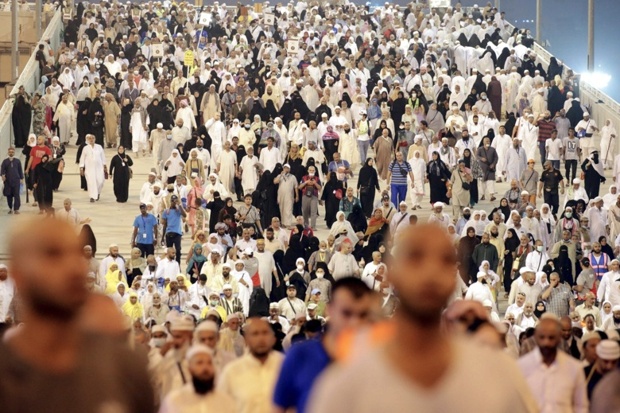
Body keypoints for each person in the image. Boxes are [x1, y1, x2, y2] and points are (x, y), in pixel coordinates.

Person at [309, 225, 538, 413]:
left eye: (444, 261)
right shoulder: (347, 383)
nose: (429, 272)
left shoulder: (497, 375)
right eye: (416, 258)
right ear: (394, 272)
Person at [0, 216, 154, 412]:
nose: (73, 267)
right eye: (53, 255)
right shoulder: (4, 373)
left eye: (76, 253)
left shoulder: (123, 366)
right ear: (18, 273)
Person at [273, 277, 373, 413]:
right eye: (346, 313)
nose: (354, 322)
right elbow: (279, 408)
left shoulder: (377, 359)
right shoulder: (300, 355)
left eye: (362, 315)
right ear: (330, 310)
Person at [518, 316, 589, 412]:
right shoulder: (522, 366)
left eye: (551, 337)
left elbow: (581, 406)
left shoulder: (574, 368)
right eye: (542, 337)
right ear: (536, 338)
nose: (546, 342)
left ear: (558, 339)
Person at [218, 318, 284, 413]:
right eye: (255, 334)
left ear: (273, 339)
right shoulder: (232, 371)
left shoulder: (285, 366)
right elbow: (222, 407)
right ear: (247, 340)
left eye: (265, 333)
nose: (261, 338)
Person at [160, 344, 236, 413]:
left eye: (209, 363)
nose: (205, 368)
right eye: (199, 363)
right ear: (189, 369)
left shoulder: (225, 401)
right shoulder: (174, 400)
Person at [79, 134, 107, 203]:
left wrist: (104, 165)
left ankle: (98, 193)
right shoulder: (85, 148)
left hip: (99, 167)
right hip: (89, 169)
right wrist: (81, 167)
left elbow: (103, 156)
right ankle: (92, 196)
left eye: (93, 138)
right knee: (91, 182)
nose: (91, 140)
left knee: (100, 181)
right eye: (90, 139)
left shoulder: (99, 147)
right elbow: (82, 158)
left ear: (95, 139)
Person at [162, 195, 187, 263]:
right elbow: (165, 224)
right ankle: (170, 263)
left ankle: (177, 264)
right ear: (170, 201)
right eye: (172, 201)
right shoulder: (166, 211)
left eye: (175, 201)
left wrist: (179, 205)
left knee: (178, 250)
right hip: (169, 233)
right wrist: (162, 237)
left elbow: (185, 215)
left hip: (177, 233)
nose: (174, 202)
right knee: (169, 250)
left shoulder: (178, 210)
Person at [1, 147, 24, 214]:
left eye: (12, 152)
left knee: (16, 195)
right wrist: (3, 175)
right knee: (9, 195)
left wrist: (21, 178)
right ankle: (10, 208)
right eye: (10, 152)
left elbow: (20, 170)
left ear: (14, 152)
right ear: (8, 152)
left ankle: (16, 209)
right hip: (8, 181)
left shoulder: (17, 161)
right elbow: (2, 170)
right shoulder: (5, 161)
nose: (11, 153)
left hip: (16, 180)